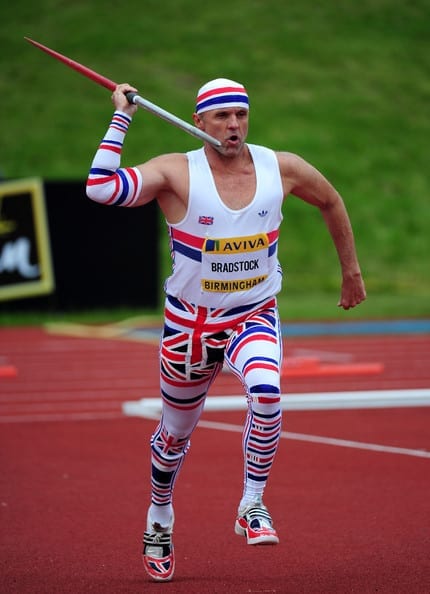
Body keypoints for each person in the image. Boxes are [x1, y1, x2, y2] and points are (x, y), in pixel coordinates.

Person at [86, 78, 366, 582]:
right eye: (222, 117)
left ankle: (252, 503)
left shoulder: (281, 167)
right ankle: (159, 516)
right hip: (189, 326)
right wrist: (121, 116)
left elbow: (330, 200)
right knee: (174, 435)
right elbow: (100, 189)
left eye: (241, 114)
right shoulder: (175, 171)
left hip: (252, 313)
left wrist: (351, 271)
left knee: (267, 392)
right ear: (199, 122)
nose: (234, 125)